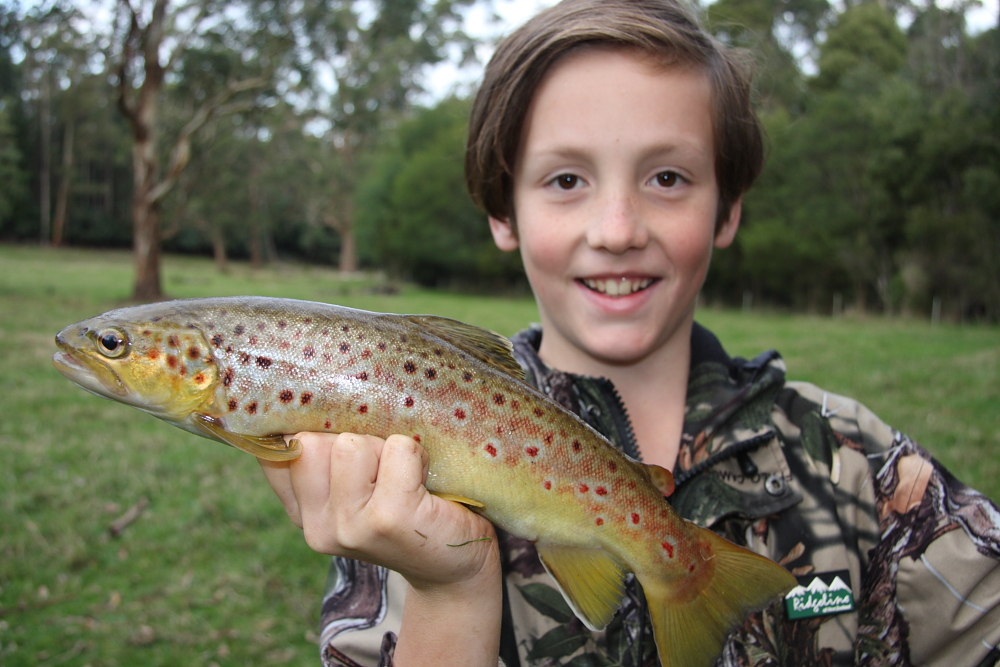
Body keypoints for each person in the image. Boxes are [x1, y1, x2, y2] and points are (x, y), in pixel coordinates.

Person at [259, 0, 1000, 664]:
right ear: (502, 211)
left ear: (729, 208)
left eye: (667, 178)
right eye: (566, 180)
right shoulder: (396, 477)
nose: (616, 231)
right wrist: (452, 592)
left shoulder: (855, 463)